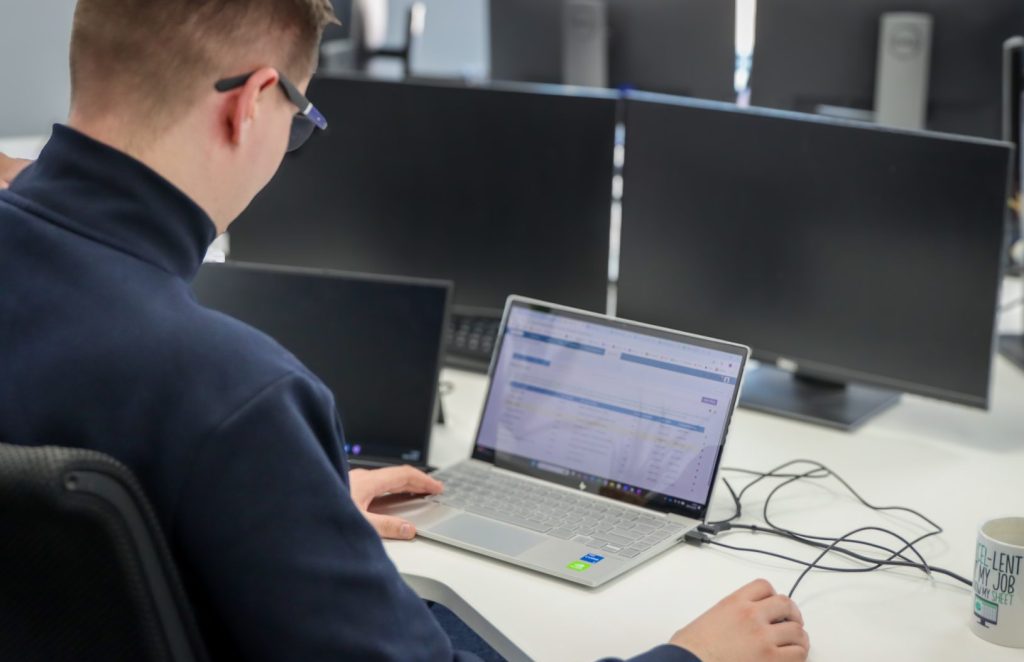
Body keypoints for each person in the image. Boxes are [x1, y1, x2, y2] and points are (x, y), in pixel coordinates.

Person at [0, 1, 810, 660]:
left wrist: (285, 500)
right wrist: (692, 659)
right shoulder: (238, 395)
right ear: (251, 103)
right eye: (300, 117)